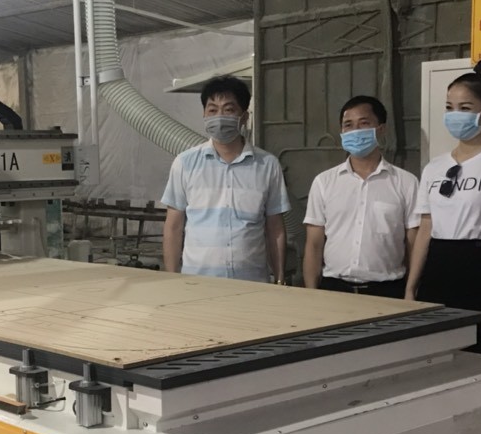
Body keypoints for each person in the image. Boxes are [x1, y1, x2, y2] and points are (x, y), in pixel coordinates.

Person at [406, 59, 481, 354]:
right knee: (433, 359)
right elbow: (425, 230)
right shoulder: (434, 168)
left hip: (480, 268)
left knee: (480, 359)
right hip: (438, 267)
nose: (455, 115)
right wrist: (411, 287)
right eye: (449, 107)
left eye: (465, 108)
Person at [162, 76, 291, 282]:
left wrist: (279, 277)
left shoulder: (267, 165)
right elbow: (174, 226)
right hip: (197, 282)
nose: (219, 116)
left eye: (229, 109)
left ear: (244, 116)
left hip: (252, 282)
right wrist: (171, 277)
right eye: (212, 110)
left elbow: (274, 227)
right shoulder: (185, 163)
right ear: (204, 114)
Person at [303, 96, 419, 298]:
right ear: (341, 132)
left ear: (380, 129)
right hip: (334, 290)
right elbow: (314, 245)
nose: (355, 131)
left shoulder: (406, 183)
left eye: (364, 123)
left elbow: (413, 245)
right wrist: (311, 294)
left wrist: (411, 291)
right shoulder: (324, 182)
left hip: (388, 291)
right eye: (348, 125)